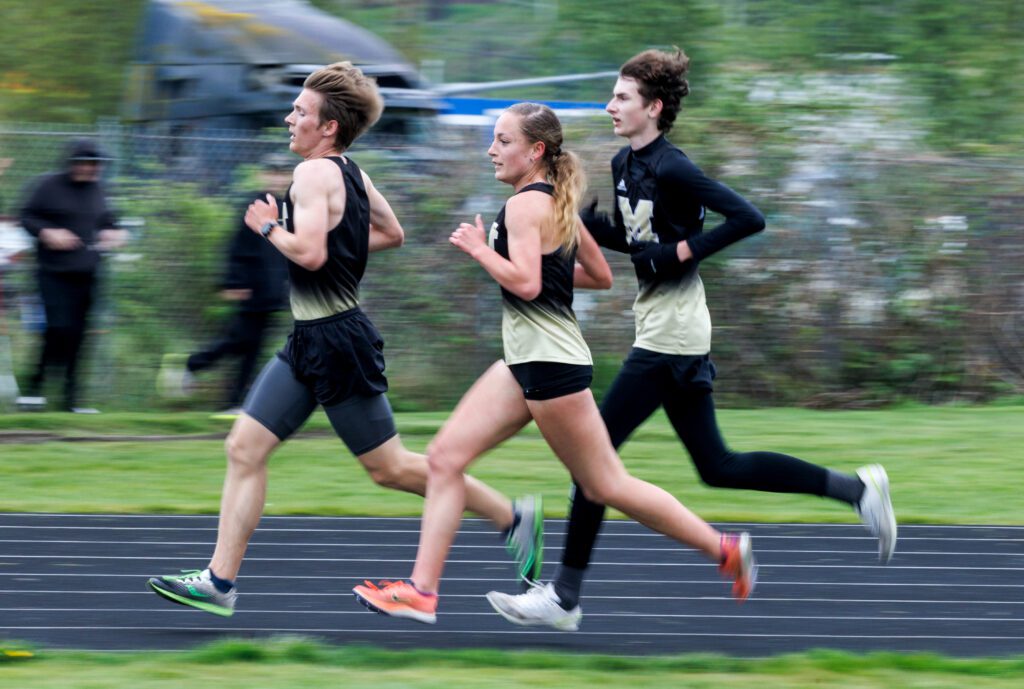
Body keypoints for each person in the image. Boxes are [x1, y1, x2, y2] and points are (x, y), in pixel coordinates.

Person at [485, 48, 897, 632]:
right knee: (716, 465)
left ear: (652, 108)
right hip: (661, 323)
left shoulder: (674, 166)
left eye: (622, 98)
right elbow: (637, 238)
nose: (610, 106)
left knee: (593, 468)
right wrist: (583, 219)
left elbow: (746, 217)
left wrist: (680, 252)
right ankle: (856, 490)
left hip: (674, 332)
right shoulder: (626, 163)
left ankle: (565, 597)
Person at [146, 62, 543, 618]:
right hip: (309, 338)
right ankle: (218, 582)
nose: (290, 118)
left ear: (328, 126)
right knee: (244, 447)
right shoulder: (354, 172)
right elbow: (390, 234)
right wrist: (332, 246)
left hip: (336, 340)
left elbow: (308, 253)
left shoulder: (311, 175)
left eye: (301, 112)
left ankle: (511, 517)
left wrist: (266, 225)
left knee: (391, 469)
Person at [352, 102, 757, 626]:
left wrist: (480, 249)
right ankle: (421, 591)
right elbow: (596, 275)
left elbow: (524, 282)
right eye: (493, 140)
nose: (491, 150)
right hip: (524, 360)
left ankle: (723, 548)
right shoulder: (557, 202)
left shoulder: (525, 207)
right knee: (445, 459)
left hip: (549, 365)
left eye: (502, 141)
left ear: (535, 150)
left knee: (606, 484)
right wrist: (544, 275)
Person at [158, 153, 293, 416]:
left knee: (251, 348)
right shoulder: (253, 205)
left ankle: (236, 402)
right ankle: (189, 366)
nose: (277, 178)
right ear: (263, 175)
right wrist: (232, 282)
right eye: (272, 172)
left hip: (272, 292)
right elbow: (235, 247)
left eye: (282, 173)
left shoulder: (286, 208)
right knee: (237, 341)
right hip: (251, 289)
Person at [17, 139, 128, 413]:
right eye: (88, 163)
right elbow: (26, 216)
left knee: (80, 335)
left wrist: (115, 233)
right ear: (72, 163)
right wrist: (47, 233)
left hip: (88, 274)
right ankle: (35, 389)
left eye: (96, 164)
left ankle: (71, 399)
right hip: (53, 273)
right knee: (58, 328)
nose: (92, 169)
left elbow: (109, 220)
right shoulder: (47, 186)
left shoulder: (100, 190)